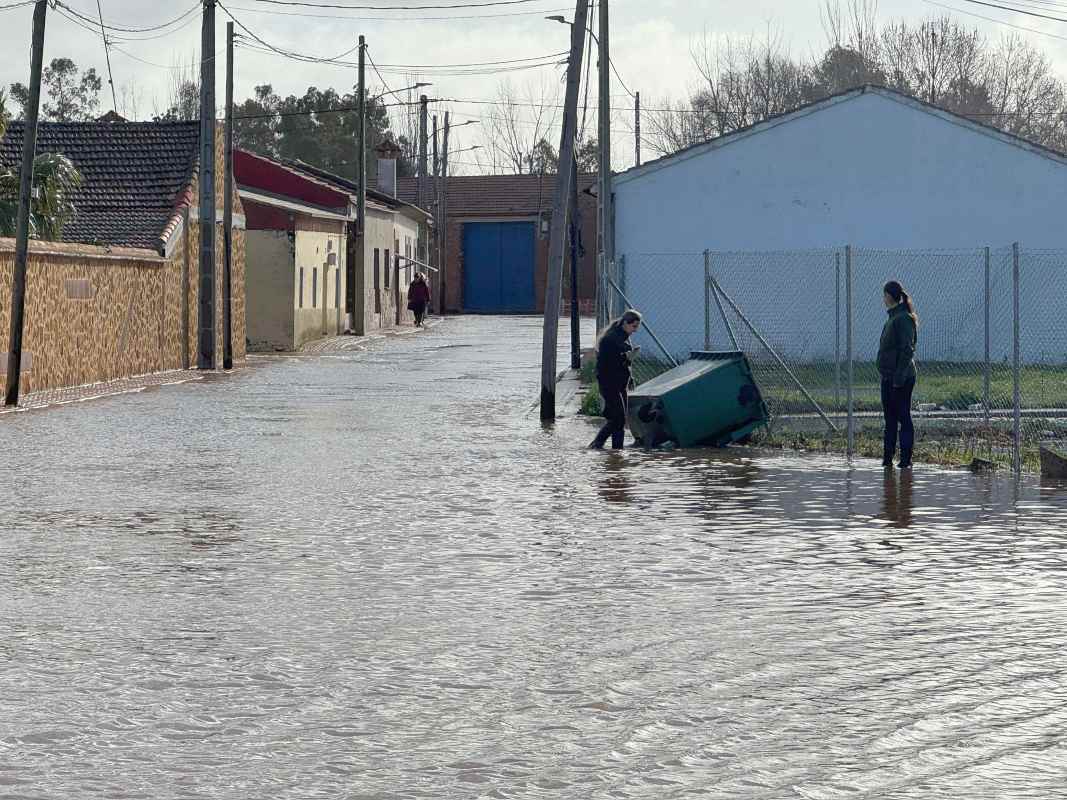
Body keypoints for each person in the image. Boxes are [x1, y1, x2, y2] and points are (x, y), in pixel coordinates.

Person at [878, 280, 918, 469]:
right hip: (888, 377)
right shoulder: (892, 317)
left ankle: (906, 460)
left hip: (901, 378)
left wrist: (898, 378)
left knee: (903, 416)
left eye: (884, 295)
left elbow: (907, 350)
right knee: (890, 419)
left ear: (890, 296)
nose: (883, 299)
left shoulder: (903, 319)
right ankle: (887, 459)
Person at [589, 309, 643, 450]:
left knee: (618, 419)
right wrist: (626, 357)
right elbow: (607, 364)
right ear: (625, 323)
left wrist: (629, 376)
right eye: (634, 326)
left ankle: (615, 452)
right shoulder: (611, 339)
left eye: (637, 326)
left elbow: (623, 362)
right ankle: (599, 445)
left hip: (620, 384)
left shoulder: (622, 336)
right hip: (610, 384)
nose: (635, 330)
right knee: (617, 419)